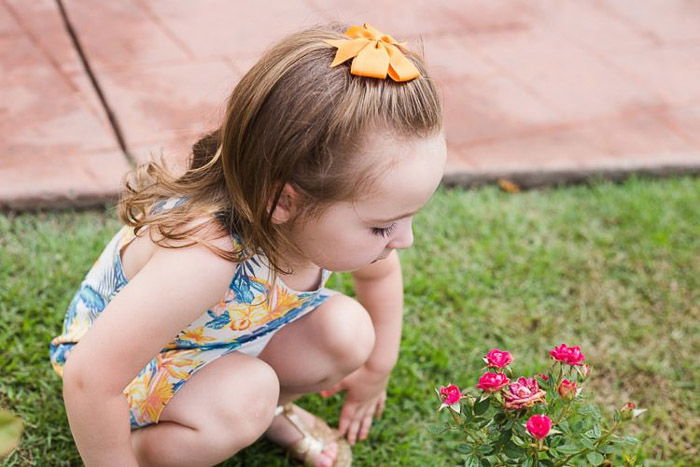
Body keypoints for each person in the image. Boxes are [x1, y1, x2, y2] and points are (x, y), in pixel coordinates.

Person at [50, 22, 446, 467]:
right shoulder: (206, 257)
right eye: (382, 227)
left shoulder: (310, 220)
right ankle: (145, 452)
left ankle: (270, 409)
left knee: (349, 333)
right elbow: (91, 376)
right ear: (282, 200)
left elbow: (380, 274)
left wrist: (377, 368)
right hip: (129, 364)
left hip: (222, 339)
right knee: (246, 395)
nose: (405, 241)